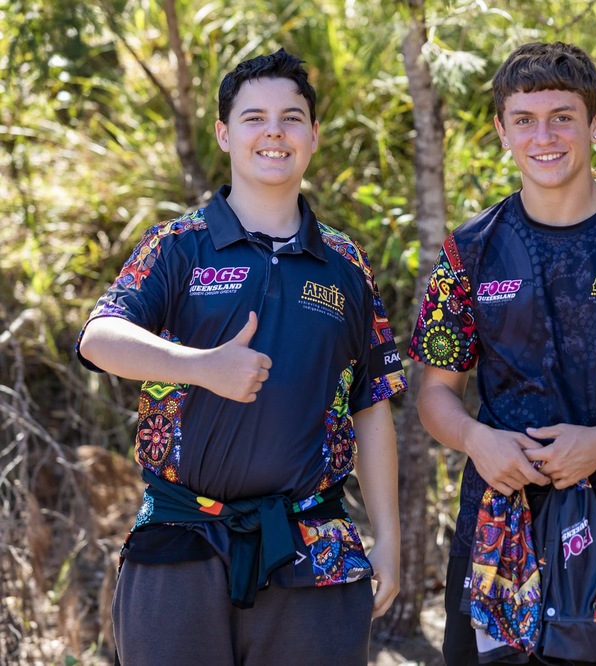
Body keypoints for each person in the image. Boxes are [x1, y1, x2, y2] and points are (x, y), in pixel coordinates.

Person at [76, 48, 406, 666]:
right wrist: (200, 367)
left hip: (314, 546)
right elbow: (99, 337)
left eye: (291, 118)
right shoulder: (178, 245)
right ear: (225, 134)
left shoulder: (346, 264)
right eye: (254, 118)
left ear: (313, 135)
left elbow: (372, 404)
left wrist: (388, 537)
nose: (274, 132)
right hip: (181, 539)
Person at [408, 41, 596, 665]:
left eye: (562, 117)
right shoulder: (469, 250)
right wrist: (476, 440)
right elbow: (435, 393)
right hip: (498, 528)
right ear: (502, 130)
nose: (543, 137)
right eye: (524, 120)